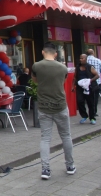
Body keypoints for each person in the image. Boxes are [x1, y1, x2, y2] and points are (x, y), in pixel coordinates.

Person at [31, 42, 75, 180]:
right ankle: (70, 166)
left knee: (45, 139)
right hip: (60, 105)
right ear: (56, 54)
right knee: (66, 136)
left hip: (44, 107)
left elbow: (35, 81)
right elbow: (63, 81)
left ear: (43, 52)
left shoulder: (36, 66)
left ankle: (45, 169)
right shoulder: (63, 68)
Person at [72, 54, 99, 125]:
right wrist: (73, 86)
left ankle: (92, 117)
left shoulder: (90, 67)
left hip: (89, 87)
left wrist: (90, 80)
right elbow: (75, 77)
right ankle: (84, 116)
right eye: (80, 58)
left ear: (86, 59)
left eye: (82, 58)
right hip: (80, 87)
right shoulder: (78, 67)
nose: (80, 59)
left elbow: (97, 75)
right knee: (79, 101)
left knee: (90, 103)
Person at [86, 49, 101, 115]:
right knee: (95, 97)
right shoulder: (98, 60)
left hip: (86, 82)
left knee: (88, 97)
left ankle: (89, 110)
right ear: (93, 53)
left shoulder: (85, 61)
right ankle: (94, 111)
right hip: (96, 82)